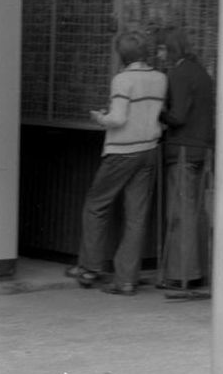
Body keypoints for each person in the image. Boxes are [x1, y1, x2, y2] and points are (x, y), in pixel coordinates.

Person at [65, 30, 167, 296]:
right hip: (149, 150)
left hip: (122, 151)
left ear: (121, 55)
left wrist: (100, 118)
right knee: (136, 216)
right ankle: (126, 280)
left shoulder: (122, 79)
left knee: (96, 205)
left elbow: (119, 118)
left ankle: (89, 268)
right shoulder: (160, 78)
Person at [155, 27, 214, 292]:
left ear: (170, 49)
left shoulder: (178, 73)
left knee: (180, 214)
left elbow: (177, 116)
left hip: (181, 149)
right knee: (196, 211)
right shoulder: (201, 72)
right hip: (202, 148)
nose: (159, 54)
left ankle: (182, 274)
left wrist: (158, 112)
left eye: (161, 49)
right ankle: (198, 270)